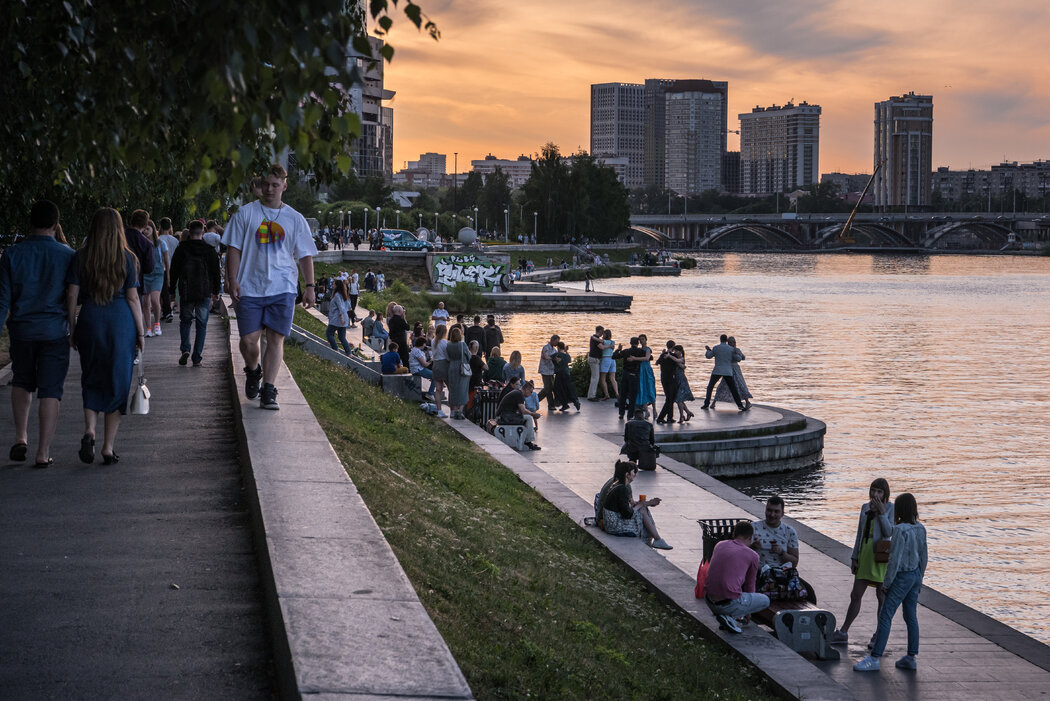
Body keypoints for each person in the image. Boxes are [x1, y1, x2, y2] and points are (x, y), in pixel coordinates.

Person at [223, 164, 317, 410]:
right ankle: (253, 370)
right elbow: (234, 248)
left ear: (284, 186)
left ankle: (269, 389)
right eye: (265, 184)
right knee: (249, 341)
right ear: (258, 186)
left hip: (283, 286)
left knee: (276, 338)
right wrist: (231, 280)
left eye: (275, 185)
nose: (269, 189)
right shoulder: (245, 214)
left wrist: (309, 286)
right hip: (249, 287)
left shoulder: (295, 219)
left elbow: (305, 254)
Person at [66, 207, 146, 465]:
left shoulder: (81, 257)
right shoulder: (128, 258)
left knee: (91, 377)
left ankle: (89, 430)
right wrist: (141, 331)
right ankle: (108, 448)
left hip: (90, 319)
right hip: (120, 322)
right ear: (119, 229)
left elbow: (72, 295)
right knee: (118, 381)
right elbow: (133, 298)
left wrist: (72, 325)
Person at [0, 200, 75, 467]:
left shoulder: (11, 254)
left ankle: (21, 437)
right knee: (51, 390)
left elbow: (3, 300)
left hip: (22, 330)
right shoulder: (68, 255)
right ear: (56, 225)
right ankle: (43, 453)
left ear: (30, 223)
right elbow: (73, 297)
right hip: (55, 331)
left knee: (22, 382)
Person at [853, 492, 927, 672]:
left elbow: (894, 560)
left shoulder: (901, 530)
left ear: (899, 510)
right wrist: (921, 579)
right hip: (916, 574)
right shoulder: (920, 528)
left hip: (902, 575)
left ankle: (875, 658)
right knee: (911, 615)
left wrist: (886, 584)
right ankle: (911, 656)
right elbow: (924, 556)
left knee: (886, 615)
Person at [831, 478, 895, 646]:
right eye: (873, 490)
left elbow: (889, 532)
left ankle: (879, 635)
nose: (875, 494)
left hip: (881, 555)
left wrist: (881, 513)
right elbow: (859, 533)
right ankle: (843, 631)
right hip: (865, 553)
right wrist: (854, 556)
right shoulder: (865, 507)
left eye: (879, 491)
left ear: (885, 493)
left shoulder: (890, 508)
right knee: (855, 594)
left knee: (881, 597)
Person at [168, 220, 221, 367]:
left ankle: (185, 348)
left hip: (186, 291)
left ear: (189, 232)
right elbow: (216, 273)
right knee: (201, 325)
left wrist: (172, 291)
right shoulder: (209, 250)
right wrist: (215, 291)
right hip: (204, 291)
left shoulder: (182, 249)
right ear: (202, 232)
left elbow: (174, 272)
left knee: (185, 321)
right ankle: (197, 357)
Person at [705, 520, 770, 633]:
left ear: (733, 534)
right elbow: (750, 585)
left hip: (709, 600)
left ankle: (727, 617)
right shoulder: (753, 555)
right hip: (727, 604)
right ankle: (731, 617)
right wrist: (748, 612)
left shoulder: (719, 545)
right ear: (750, 538)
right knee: (765, 600)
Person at [597, 459, 671, 549]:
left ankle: (656, 541)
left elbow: (624, 507)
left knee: (643, 510)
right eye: (633, 472)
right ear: (627, 475)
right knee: (642, 516)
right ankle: (653, 543)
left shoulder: (619, 485)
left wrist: (643, 504)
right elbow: (627, 514)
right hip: (614, 526)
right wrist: (641, 504)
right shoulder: (622, 489)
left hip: (611, 522)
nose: (635, 474)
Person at [751, 496, 800, 569]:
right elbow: (740, 554)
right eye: (769, 510)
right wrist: (753, 547)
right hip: (757, 571)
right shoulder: (753, 527)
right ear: (765, 511)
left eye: (776, 511)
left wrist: (781, 553)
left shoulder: (790, 531)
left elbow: (794, 563)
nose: (772, 515)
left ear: (782, 514)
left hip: (781, 573)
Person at [702, 334, 746, 411]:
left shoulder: (716, 348)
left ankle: (706, 404)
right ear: (726, 340)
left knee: (710, 387)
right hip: (727, 371)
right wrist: (736, 352)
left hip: (717, 371)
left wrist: (708, 350)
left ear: (720, 339)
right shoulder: (731, 349)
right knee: (733, 389)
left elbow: (708, 356)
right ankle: (740, 405)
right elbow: (739, 359)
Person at [495, 379, 541, 450]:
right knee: (528, 418)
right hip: (504, 417)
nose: (531, 394)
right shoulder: (519, 395)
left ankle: (527, 440)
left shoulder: (517, 393)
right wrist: (533, 414)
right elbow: (523, 410)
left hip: (504, 415)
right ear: (526, 389)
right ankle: (528, 442)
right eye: (531, 392)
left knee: (527, 417)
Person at [712, 336, 752, 410]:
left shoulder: (736, 350)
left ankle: (747, 402)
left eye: (733, 342)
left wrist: (738, 353)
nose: (732, 343)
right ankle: (714, 402)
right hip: (728, 370)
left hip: (736, 370)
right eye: (730, 342)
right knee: (722, 386)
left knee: (740, 385)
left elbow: (743, 358)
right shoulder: (728, 350)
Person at [614, 336, 646, 420]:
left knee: (623, 394)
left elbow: (614, 356)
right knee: (633, 396)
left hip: (625, 374)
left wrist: (618, 349)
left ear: (630, 343)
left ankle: (621, 413)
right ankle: (630, 415)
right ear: (638, 343)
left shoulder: (626, 351)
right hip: (635, 374)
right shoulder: (640, 352)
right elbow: (650, 357)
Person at [157, 217, 180, 322]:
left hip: (162, 267)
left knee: (163, 291)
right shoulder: (175, 240)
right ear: (170, 227)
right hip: (174, 267)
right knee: (170, 290)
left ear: (160, 227)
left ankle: (166, 311)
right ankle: (166, 310)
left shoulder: (158, 240)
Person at [445, 326, 470, 420]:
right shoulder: (463, 345)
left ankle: (453, 411)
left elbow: (447, 357)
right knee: (463, 389)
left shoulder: (448, 345)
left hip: (452, 367)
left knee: (453, 389)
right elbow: (469, 356)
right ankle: (460, 411)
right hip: (461, 368)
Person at [324, 278, 352, 354]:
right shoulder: (343, 295)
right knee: (342, 337)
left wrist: (341, 317)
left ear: (337, 286)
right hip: (342, 318)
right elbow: (349, 307)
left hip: (337, 318)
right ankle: (349, 353)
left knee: (329, 333)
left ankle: (336, 350)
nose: (332, 285)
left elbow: (341, 307)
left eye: (333, 284)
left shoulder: (336, 295)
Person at [551, 341, 580, 411]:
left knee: (557, 389)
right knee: (568, 388)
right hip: (566, 374)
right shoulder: (567, 355)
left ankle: (564, 404)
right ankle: (575, 401)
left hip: (559, 374)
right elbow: (569, 361)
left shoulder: (556, 355)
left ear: (558, 347)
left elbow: (548, 358)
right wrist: (566, 351)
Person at [669, 345, 695, 422]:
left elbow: (678, 362)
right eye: (674, 351)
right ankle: (688, 412)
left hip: (682, 380)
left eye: (676, 351)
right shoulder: (675, 359)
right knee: (679, 399)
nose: (675, 352)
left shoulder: (681, 359)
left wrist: (669, 355)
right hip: (676, 381)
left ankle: (681, 417)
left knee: (679, 400)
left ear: (680, 352)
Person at [655, 340, 679, 423]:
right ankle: (661, 417)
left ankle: (669, 417)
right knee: (670, 399)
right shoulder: (673, 356)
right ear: (673, 347)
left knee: (670, 398)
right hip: (670, 379)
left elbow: (657, 363)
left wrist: (662, 354)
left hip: (663, 378)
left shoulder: (663, 355)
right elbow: (678, 364)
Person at [536, 334, 560, 411]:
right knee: (548, 388)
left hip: (551, 371)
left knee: (550, 387)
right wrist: (553, 358)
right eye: (556, 342)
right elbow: (545, 357)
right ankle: (550, 404)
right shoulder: (546, 348)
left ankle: (536, 399)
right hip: (545, 370)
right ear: (552, 340)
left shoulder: (554, 350)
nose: (557, 344)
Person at [431, 324, 450, 418]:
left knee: (438, 389)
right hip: (443, 364)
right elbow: (447, 356)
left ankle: (439, 410)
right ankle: (453, 409)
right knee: (450, 388)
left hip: (435, 364)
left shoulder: (432, 341)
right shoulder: (444, 342)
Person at [636, 334, 657, 416]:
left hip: (647, 371)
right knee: (642, 389)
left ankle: (654, 410)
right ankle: (646, 410)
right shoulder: (639, 350)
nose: (641, 341)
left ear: (646, 340)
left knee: (650, 389)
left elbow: (647, 358)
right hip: (641, 371)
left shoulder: (647, 349)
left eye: (643, 339)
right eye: (640, 339)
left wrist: (635, 358)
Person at [598, 328, 618, 401]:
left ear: (605, 335)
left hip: (605, 359)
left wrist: (594, 337)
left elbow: (598, 341)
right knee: (613, 378)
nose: (602, 335)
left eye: (603, 333)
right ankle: (617, 393)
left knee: (603, 378)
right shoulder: (613, 342)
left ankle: (606, 394)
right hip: (612, 360)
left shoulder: (604, 342)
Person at [586, 325, 605, 401]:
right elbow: (602, 347)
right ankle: (591, 396)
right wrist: (609, 346)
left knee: (594, 377)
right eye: (602, 332)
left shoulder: (595, 338)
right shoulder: (595, 339)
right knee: (595, 378)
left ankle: (592, 395)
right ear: (599, 331)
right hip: (594, 359)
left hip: (594, 359)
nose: (603, 333)